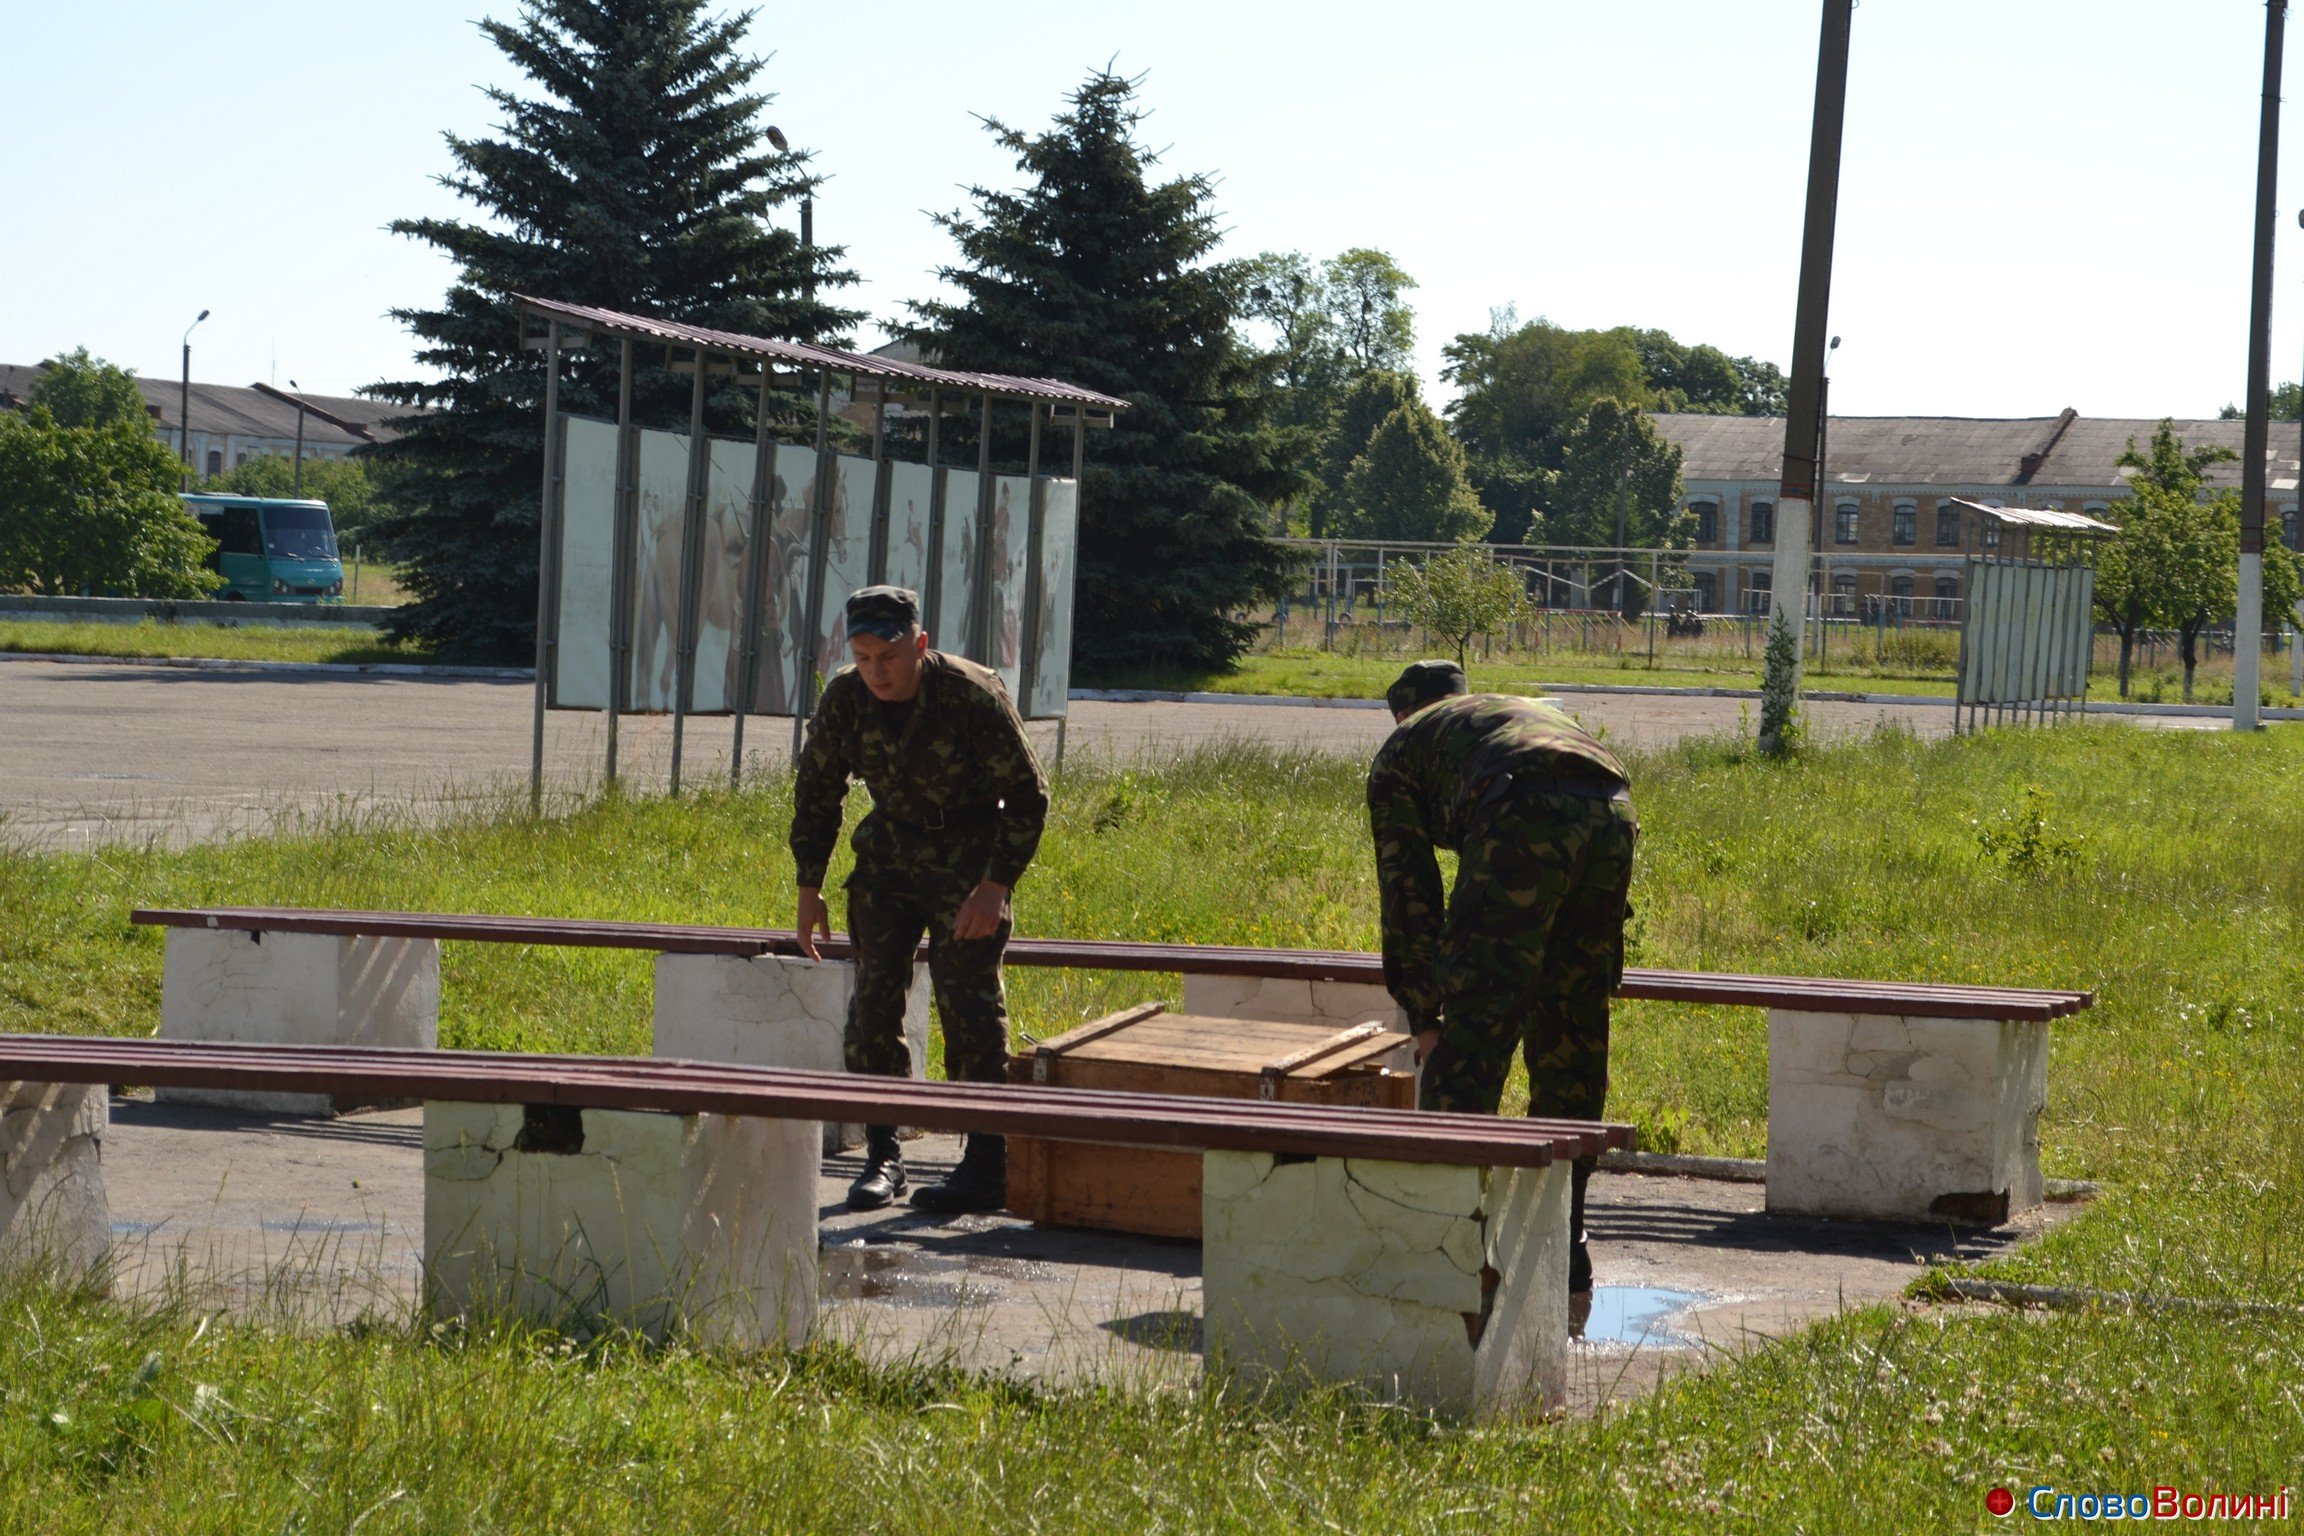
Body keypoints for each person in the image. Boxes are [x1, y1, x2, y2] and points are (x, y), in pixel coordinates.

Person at [1365, 660, 1638, 1294]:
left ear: (1402, 714)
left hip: (1522, 804)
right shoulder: (1493, 716)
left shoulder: (1401, 751)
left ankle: (1445, 1243)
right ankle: (1565, 1238)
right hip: (1612, 805)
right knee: (1572, 1026)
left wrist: (1427, 1015)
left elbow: (1408, 894)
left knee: (1475, 1032)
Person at [790, 585, 1048, 1214]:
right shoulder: (846, 698)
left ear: (921, 645)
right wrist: (809, 887)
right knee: (873, 1003)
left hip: (967, 858)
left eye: (889, 656)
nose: (876, 671)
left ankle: (986, 1161)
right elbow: (818, 789)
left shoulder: (970, 693)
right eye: (863, 657)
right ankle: (883, 1154)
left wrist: (995, 887)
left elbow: (1028, 795)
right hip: (890, 853)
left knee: (969, 1005)